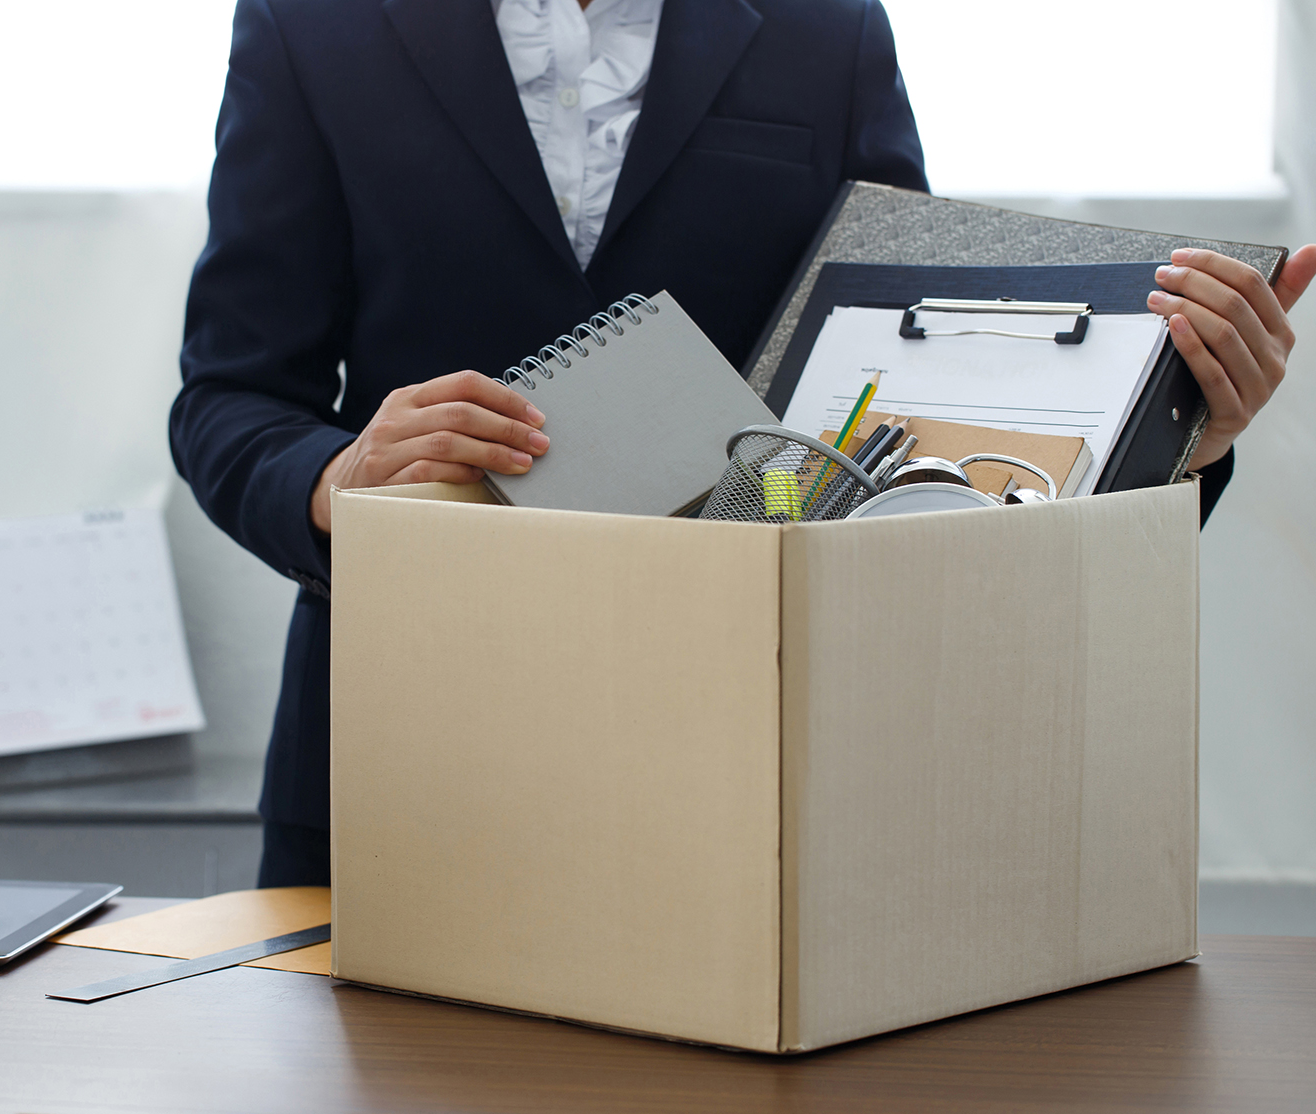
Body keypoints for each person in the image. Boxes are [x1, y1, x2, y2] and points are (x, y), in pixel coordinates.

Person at [171, 0, 1316, 887]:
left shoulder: (828, 28)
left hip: (742, 750)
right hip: (399, 737)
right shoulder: (307, 22)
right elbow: (227, 394)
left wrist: (1181, 432)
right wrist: (331, 477)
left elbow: (909, 406)